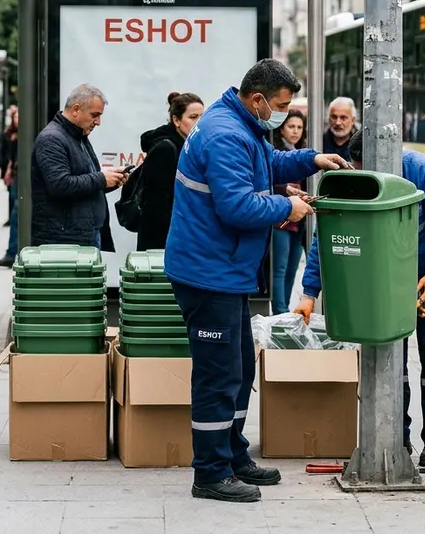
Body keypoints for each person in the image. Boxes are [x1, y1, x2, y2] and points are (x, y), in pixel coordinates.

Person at [163, 59, 349, 503]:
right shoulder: (227, 134)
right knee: (217, 375)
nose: (284, 114)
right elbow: (237, 207)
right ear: (259, 98)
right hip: (208, 274)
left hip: (224, 272)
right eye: (281, 106)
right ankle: (209, 473)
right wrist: (290, 209)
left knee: (241, 366)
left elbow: (267, 164)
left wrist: (310, 160)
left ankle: (232, 454)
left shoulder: (240, 124)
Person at [295, 127, 425, 468]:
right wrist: (310, 292)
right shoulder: (352, 179)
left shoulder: (423, 172)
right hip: (380, 282)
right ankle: (394, 437)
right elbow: (327, 237)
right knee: (388, 359)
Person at [32, 84, 127, 248]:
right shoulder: (52, 139)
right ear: (76, 109)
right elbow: (60, 185)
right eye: (94, 115)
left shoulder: (78, 135)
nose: (98, 122)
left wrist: (111, 179)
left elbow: (84, 182)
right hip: (65, 238)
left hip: (82, 232)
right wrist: (101, 179)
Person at [135, 92, 204, 251]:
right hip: (164, 242)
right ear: (176, 120)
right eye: (193, 117)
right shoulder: (166, 149)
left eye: (202, 117)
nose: (199, 123)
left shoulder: (190, 147)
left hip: (183, 237)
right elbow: (157, 206)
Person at [270, 109, 309, 314]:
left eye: (299, 127)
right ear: (281, 129)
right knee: (280, 267)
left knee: (293, 267)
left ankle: (284, 309)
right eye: (291, 126)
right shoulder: (275, 152)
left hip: (299, 219)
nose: (295, 131)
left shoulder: (301, 151)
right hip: (280, 217)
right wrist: (283, 190)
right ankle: (280, 311)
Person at [0, 108, 20, 267]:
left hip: (20, 176)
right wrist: (7, 171)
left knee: (17, 212)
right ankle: (11, 252)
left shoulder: (23, 135)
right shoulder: (12, 135)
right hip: (16, 174)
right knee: (15, 211)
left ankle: (11, 253)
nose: (17, 120)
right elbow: (11, 156)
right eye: (15, 117)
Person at [322, 96, 359, 160]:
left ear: (353, 120)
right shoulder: (320, 141)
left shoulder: (361, 144)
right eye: (334, 117)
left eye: (343, 117)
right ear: (328, 119)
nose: (338, 123)